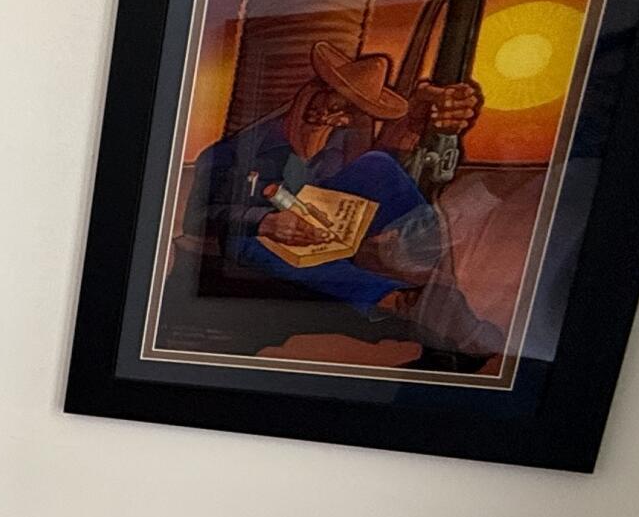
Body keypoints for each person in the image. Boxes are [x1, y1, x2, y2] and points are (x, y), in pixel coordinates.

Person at [182, 42, 497, 353]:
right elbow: (196, 218)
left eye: (350, 113)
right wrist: (264, 221)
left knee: (378, 164)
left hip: (328, 226)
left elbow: (369, 174)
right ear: (310, 92)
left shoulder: (339, 138)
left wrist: (415, 118)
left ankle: (413, 247)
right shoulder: (232, 153)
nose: (337, 119)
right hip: (264, 239)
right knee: (248, 245)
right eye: (334, 104)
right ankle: (399, 301)